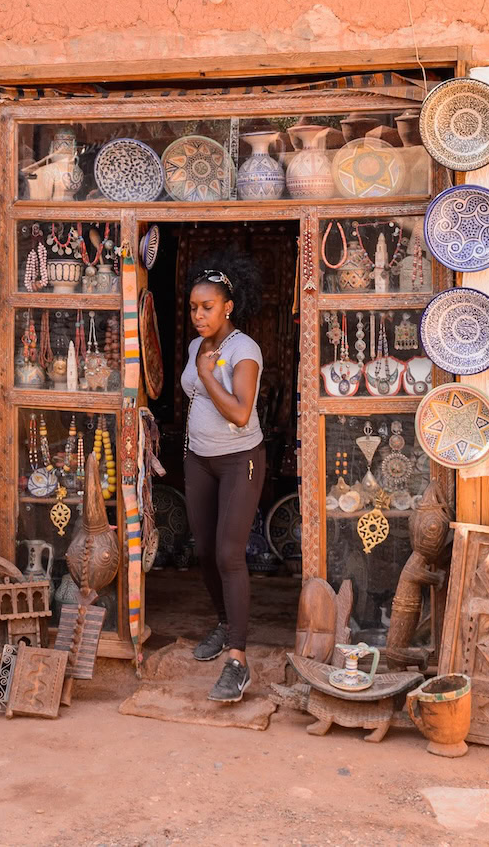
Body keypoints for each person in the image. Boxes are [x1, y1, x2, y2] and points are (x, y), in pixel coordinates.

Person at [179, 250, 266, 703]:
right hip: (200, 459)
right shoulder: (197, 346)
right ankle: (223, 624)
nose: (198, 316)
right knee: (206, 551)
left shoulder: (243, 350)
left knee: (230, 554)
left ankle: (238, 660)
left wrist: (207, 376)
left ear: (227, 306)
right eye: (193, 307)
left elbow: (239, 411)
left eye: (206, 307)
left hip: (239, 460)